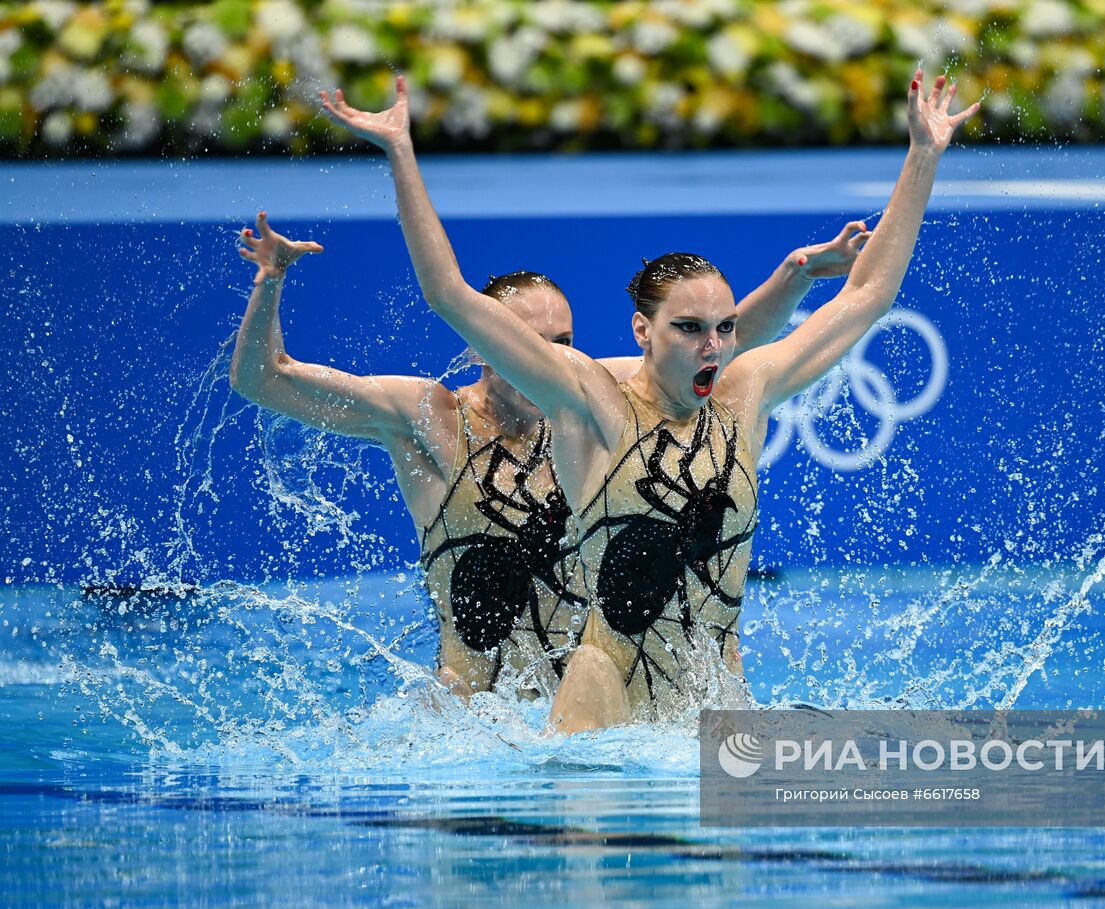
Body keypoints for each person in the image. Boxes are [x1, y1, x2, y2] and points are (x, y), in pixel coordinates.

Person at [322, 68, 978, 733]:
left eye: (724, 329)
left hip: (713, 699)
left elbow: (866, 297)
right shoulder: (591, 404)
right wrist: (400, 151)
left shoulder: (746, 396)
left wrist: (923, 156)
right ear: (644, 332)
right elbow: (450, 296)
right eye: (689, 330)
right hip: (604, 703)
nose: (713, 347)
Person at [228, 211, 870, 700]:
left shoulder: (584, 409)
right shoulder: (431, 416)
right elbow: (265, 379)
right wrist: (270, 281)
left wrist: (796, 275)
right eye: (531, 343)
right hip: (473, 717)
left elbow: (714, 345)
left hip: (587, 701)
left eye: (563, 341)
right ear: (491, 345)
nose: (548, 356)